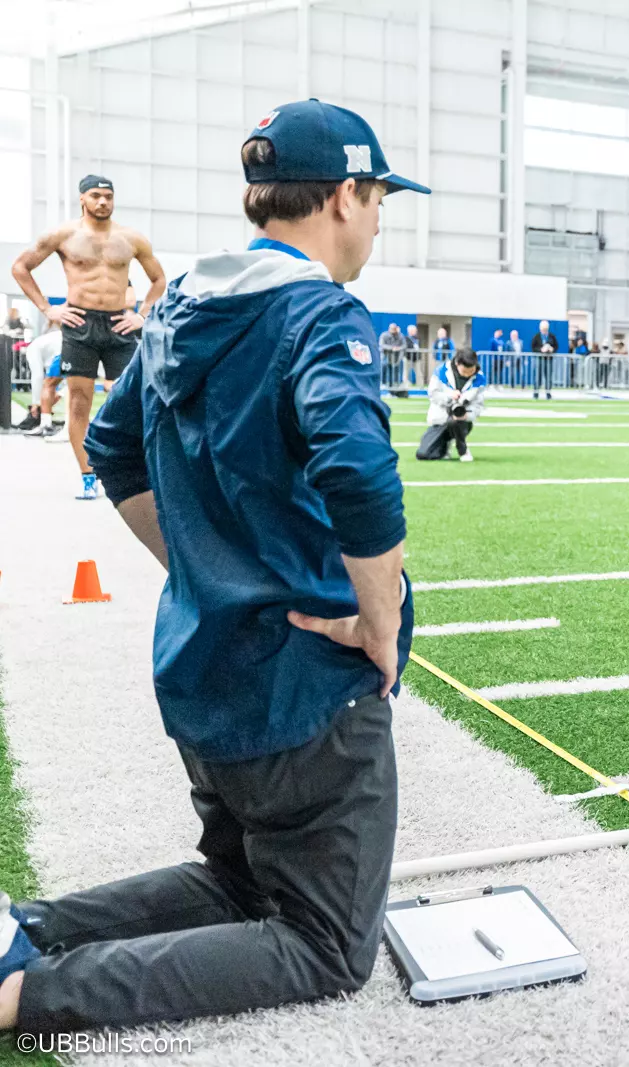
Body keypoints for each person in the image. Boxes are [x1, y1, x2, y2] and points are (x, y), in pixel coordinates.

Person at [0, 99, 426, 1039]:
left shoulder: (185, 301)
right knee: (322, 943)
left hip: (205, 664)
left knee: (236, 880)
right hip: (302, 688)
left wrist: (196, 563)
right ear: (346, 195)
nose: (382, 217)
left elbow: (110, 450)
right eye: (380, 196)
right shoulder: (319, 311)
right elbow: (357, 468)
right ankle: (25, 993)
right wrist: (380, 623)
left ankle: (22, 930)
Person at [10, 175, 166, 500]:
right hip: (79, 323)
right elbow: (21, 267)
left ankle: (132, 469)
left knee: (131, 399)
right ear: (83, 199)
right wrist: (47, 310)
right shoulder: (64, 235)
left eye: (108, 196)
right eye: (96, 195)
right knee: (78, 401)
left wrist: (142, 314)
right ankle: (87, 474)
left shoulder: (131, 239)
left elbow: (158, 279)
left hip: (119, 325)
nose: (103, 202)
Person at [417, 348, 486, 462]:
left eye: (471, 371)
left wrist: (467, 415)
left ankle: (463, 449)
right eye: (464, 372)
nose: (468, 374)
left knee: (455, 422)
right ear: (457, 363)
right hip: (440, 418)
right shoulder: (442, 371)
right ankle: (444, 447)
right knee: (423, 454)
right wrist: (450, 397)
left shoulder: (479, 378)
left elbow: (479, 404)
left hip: (462, 420)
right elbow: (433, 393)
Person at [19, 325, 63, 437]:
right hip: (77, 345)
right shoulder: (44, 344)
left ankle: (46, 425)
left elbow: (37, 375)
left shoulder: (32, 349)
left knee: (48, 385)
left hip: (66, 347)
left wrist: (36, 402)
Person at [531, 320, 559, 399]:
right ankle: (536, 392)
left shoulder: (552, 336)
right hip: (539, 359)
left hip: (548, 359)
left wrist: (552, 349)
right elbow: (533, 347)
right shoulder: (536, 336)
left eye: (545, 329)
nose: (544, 331)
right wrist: (541, 350)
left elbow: (556, 346)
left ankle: (548, 392)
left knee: (548, 376)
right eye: (543, 329)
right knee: (537, 376)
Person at [379, 322, 405, 395]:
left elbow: (404, 345)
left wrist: (398, 348)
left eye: (394, 329)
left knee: (395, 371)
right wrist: (392, 348)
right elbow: (382, 344)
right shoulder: (384, 335)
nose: (393, 330)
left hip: (396, 357)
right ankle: (383, 383)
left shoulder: (400, 336)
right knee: (384, 368)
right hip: (386, 356)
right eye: (392, 328)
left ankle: (394, 385)